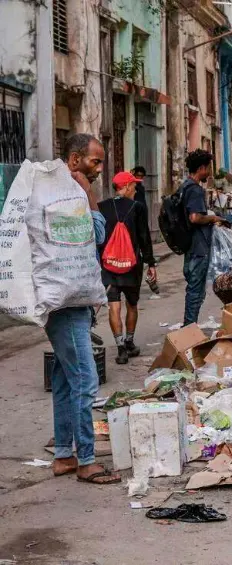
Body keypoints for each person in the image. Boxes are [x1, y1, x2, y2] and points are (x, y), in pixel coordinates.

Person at [48, 133, 120, 485]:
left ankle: (64, 454)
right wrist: (90, 196)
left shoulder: (57, 191)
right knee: (85, 381)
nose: (99, 168)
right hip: (68, 304)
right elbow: (97, 234)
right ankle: (87, 461)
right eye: (95, 160)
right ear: (75, 160)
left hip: (62, 300)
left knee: (64, 379)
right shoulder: (69, 194)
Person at [98, 171, 157, 365]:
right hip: (132, 266)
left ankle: (120, 348)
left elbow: (98, 237)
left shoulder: (102, 207)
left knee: (113, 306)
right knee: (132, 304)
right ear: (125, 187)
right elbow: (144, 237)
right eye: (133, 185)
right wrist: (151, 263)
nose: (135, 189)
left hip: (108, 265)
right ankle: (130, 342)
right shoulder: (137, 207)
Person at [179, 149, 224, 326]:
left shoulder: (184, 187)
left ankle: (189, 326)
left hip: (190, 245)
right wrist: (213, 218)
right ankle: (189, 328)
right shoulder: (195, 189)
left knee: (194, 289)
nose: (210, 172)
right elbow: (195, 217)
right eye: (208, 168)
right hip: (198, 247)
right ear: (201, 168)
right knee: (195, 291)